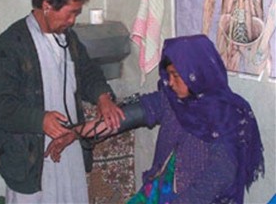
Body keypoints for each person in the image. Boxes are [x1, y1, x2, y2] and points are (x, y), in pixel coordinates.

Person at [46, 34, 264, 204]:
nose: (170, 82)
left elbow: (220, 175)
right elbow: (124, 118)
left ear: (196, 73)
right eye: (168, 75)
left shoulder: (228, 116)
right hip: (161, 190)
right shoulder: (171, 100)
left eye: (177, 76)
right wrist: (75, 133)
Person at [0, 0, 124, 203]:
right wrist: (39, 120)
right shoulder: (11, 44)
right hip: (29, 160)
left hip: (67, 146)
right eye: (70, 13)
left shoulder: (68, 38)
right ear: (47, 5)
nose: (72, 21)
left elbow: (88, 72)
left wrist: (103, 97)